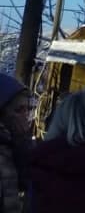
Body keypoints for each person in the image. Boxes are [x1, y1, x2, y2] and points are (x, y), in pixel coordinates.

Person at [0, 74, 32, 213]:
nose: (25, 116)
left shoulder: (10, 142)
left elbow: (27, 181)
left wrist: (22, 141)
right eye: (18, 110)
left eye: (27, 109)